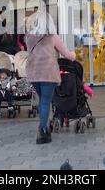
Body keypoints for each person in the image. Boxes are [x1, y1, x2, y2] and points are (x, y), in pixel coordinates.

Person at [25, 11, 76, 144]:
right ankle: (42, 131)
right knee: (45, 102)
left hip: (34, 73)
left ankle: (45, 127)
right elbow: (68, 56)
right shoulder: (53, 37)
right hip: (47, 74)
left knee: (43, 101)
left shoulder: (29, 36)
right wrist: (74, 54)